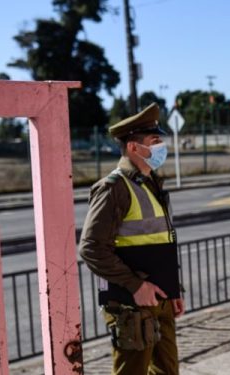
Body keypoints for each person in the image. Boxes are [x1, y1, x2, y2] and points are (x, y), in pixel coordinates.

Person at [79, 103, 184, 374]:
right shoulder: (113, 188)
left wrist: (174, 289)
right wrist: (136, 286)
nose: (161, 147)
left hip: (160, 298)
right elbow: (91, 248)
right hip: (132, 302)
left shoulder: (151, 183)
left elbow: (160, 240)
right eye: (155, 141)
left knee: (167, 371)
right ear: (133, 147)